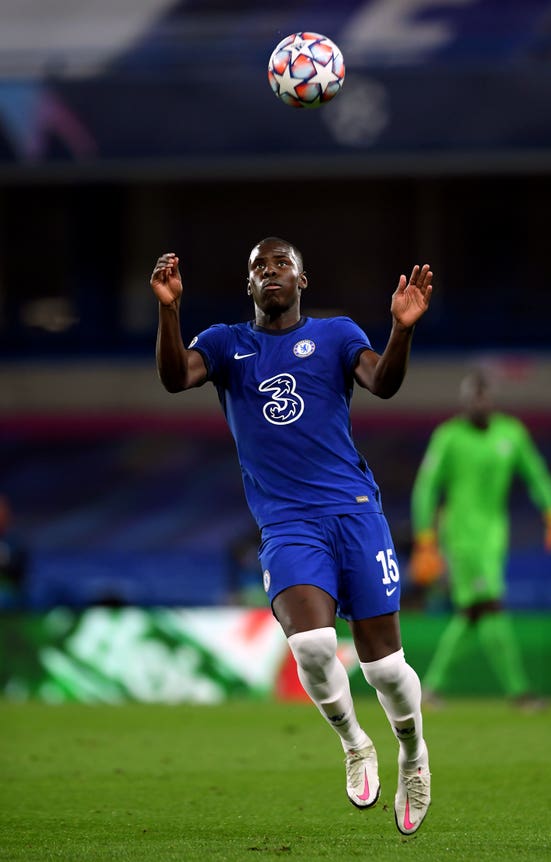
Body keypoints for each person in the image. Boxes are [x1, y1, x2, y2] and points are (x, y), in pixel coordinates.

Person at [150, 237, 434, 835]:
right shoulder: (227, 344)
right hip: (287, 522)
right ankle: (355, 742)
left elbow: (382, 382)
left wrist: (401, 330)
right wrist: (169, 310)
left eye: (282, 264)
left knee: (385, 669)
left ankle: (411, 751)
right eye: (259, 267)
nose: (270, 272)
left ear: (302, 280)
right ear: (248, 284)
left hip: (355, 511)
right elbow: (176, 378)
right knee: (310, 644)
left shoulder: (336, 335)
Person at [409, 369, 551, 711]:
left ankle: (430, 687)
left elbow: (537, 475)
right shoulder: (449, 437)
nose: (478, 402)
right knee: (490, 605)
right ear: (464, 401)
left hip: (494, 537)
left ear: (491, 399)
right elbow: (426, 489)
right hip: (460, 536)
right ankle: (519, 693)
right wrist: (426, 540)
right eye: (472, 396)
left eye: (483, 395)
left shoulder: (512, 433)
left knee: (474, 612)